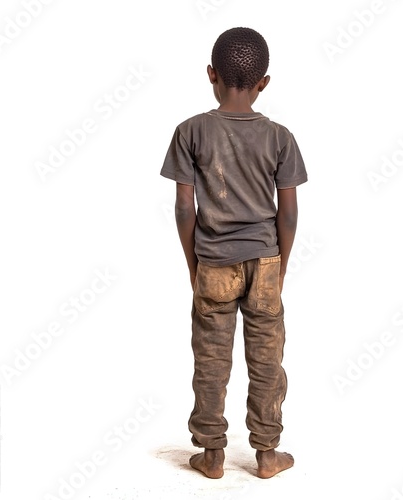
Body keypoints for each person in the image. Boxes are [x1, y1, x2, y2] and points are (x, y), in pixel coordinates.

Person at [160, 27, 307, 479]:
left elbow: (185, 207)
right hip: (264, 261)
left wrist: (194, 263)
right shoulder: (280, 137)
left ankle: (211, 455)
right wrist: (279, 267)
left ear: (211, 74)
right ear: (264, 82)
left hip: (214, 263)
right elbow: (288, 214)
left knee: (210, 361)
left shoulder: (191, 131)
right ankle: (266, 455)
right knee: (267, 361)